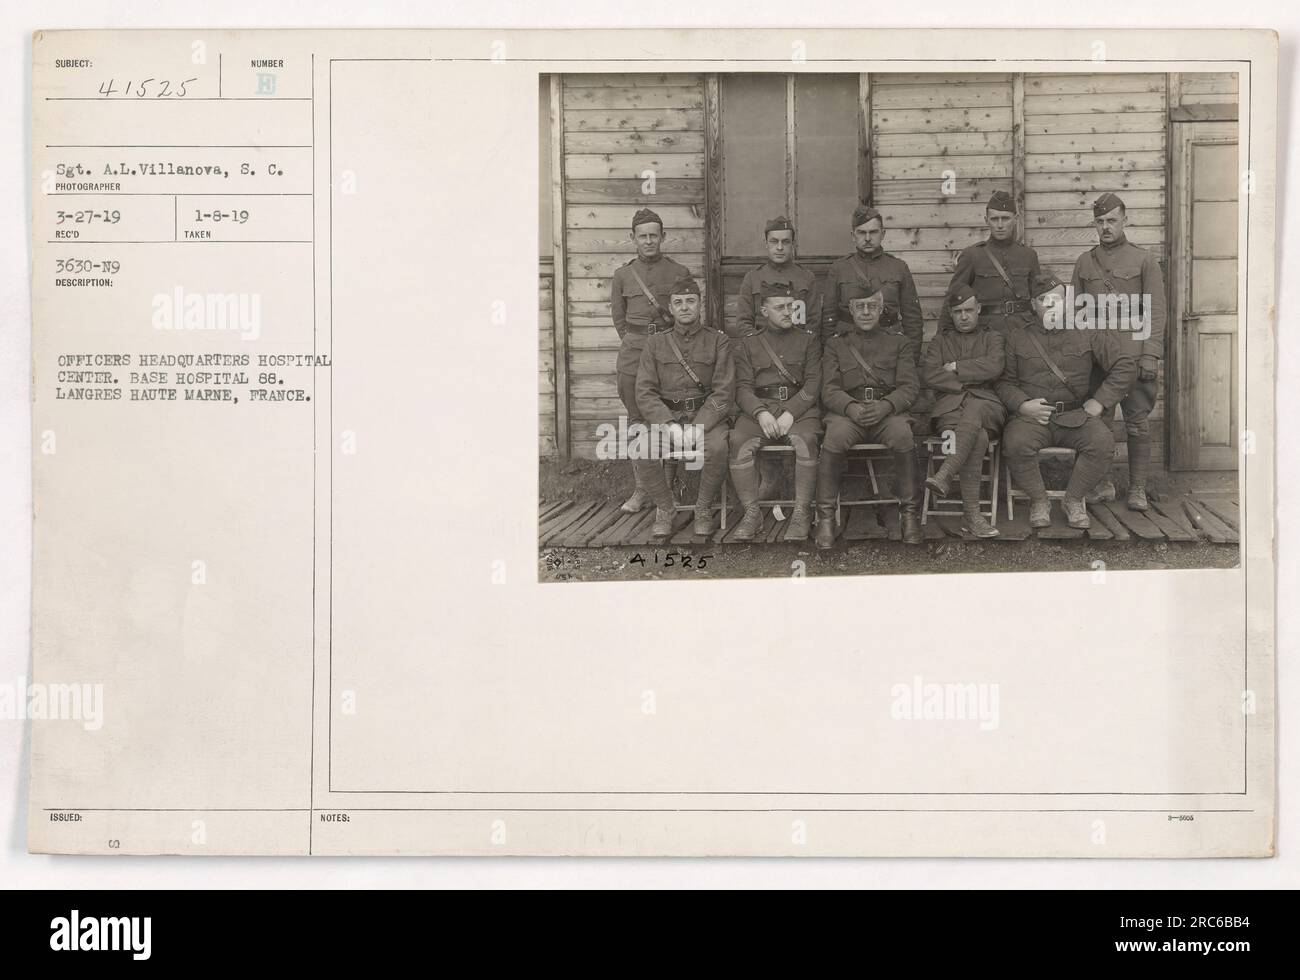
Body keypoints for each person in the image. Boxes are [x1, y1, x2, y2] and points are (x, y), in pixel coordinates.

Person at [996, 274, 1138, 530]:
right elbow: (1004, 383)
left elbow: (1125, 366)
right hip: (1032, 420)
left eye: (1056, 299)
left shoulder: (1088, 331)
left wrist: (1099, 401)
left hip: (1075, 417)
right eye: (1043, 300)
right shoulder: (1017, 338)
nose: (1050, 305)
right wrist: (1022, 405)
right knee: (1015, 444)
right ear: (1032, 305)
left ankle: (1073, 499)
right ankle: (1039, 501)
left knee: (1103, 443)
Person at [1071, 192, 1168, 511]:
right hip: (1099, 360)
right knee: (1098, 424)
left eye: (1112, 220)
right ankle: (1102, 484)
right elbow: (1077, 313)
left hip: (1136, 355)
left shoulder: (1143, 260)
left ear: (1125, 220)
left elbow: (1155, 311)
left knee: (1138, 423)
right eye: (1100, 222)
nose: (1106, 227)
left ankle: (1138, 488)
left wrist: (1150, 354)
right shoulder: (1085, 262)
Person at [816, 288, 922, 549]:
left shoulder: (899, 342)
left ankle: (909, 515)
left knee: (902, 435)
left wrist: (886, 405)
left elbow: (909, 387)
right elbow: (828, 389)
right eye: (860, 306)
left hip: (886, 413)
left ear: (881, 309)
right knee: (835, 436)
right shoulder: (836, 344)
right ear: (850, 310)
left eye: (872, 307)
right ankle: (826, 519)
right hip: (848, 413)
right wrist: (850, 407)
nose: (865, 312)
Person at [634, 275, 734, 541]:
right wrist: (668, 425)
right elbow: (644, 392)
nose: (685, 307)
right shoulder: (655, 344)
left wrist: (699, 426)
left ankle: (702, 508)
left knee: (717, 447)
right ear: (670, 307)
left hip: (706, 417)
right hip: (667, 417)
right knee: (642, 449)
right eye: (678, 302)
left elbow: (724, 391)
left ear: (700, 305)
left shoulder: (718, 341)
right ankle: (666, 509)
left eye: (691, 301)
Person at [735, 216, 824, 503]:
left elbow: (813, 323)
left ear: (793, 245)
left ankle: (796, 500)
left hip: (797, 358)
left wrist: (797, 341)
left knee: (802, 433)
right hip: (763, 356)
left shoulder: (806, 278)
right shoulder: (752, 278)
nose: (780, 247)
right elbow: (744, 323)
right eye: (774, 241)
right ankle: (770, 482)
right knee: (745, 436)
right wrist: (761, 346)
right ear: (766, 244)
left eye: (786, 242)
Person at [610, 207, 691, 514]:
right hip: (634, 354)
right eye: (642, 236)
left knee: (668, 417)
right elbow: (620, 320)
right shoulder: (622, 276)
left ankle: (668, 488)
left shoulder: (678, 272)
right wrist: (637, 343)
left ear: (663, 237)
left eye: (653, 236)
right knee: (637, 420)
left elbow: (687, 312)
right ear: (633, 239)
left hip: (669, 353)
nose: (648, 241)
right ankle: (642, 488)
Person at [729, 283, 822, 542]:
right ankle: (752, 514)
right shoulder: (749, 344)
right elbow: (742, 387)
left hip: (799, 411)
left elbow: (814, 383)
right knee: (738, 441)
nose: (787, 312)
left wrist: (791, 412)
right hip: (762, 411)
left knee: (807, 440)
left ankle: (801, 513)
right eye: (779, 307)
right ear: (763, 310)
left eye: (790, 307)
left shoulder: (808, 341)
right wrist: (760, 413)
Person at [922, 283, 1006, 538]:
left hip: (988, 406)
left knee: (977, 406)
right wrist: (970, 379)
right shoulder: (940, 341)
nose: (964, 317)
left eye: (969, 310)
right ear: (951, 313)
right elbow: (930, 375)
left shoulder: (993, 338)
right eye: (958, 312)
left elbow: (994, 367)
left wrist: (956, 366)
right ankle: (972, 516)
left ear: (978, 309)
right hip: (950, 411)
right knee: (976, 436)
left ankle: (945, 473)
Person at [821, 205, 923, 358]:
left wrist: (910, 359)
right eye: (861, 232)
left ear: (883, 234)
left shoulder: (898, 268)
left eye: (873, 232)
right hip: (849, 350)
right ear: (852, 235)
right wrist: (830, 357)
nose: (867, 238)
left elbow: (912, 319)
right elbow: (828, 319)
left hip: (889, 348)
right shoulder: (839, 269)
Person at [936, 189, 1042, 336]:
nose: (1000, 225)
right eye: (994, 219)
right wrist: (944, 338)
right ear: (986, 220)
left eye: (1005, 218)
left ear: (1016, 218)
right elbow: (952, 297)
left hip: (1023, 332)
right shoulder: (972, 255)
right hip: (985, 335)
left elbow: (1039, 298)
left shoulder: (1028, 255)